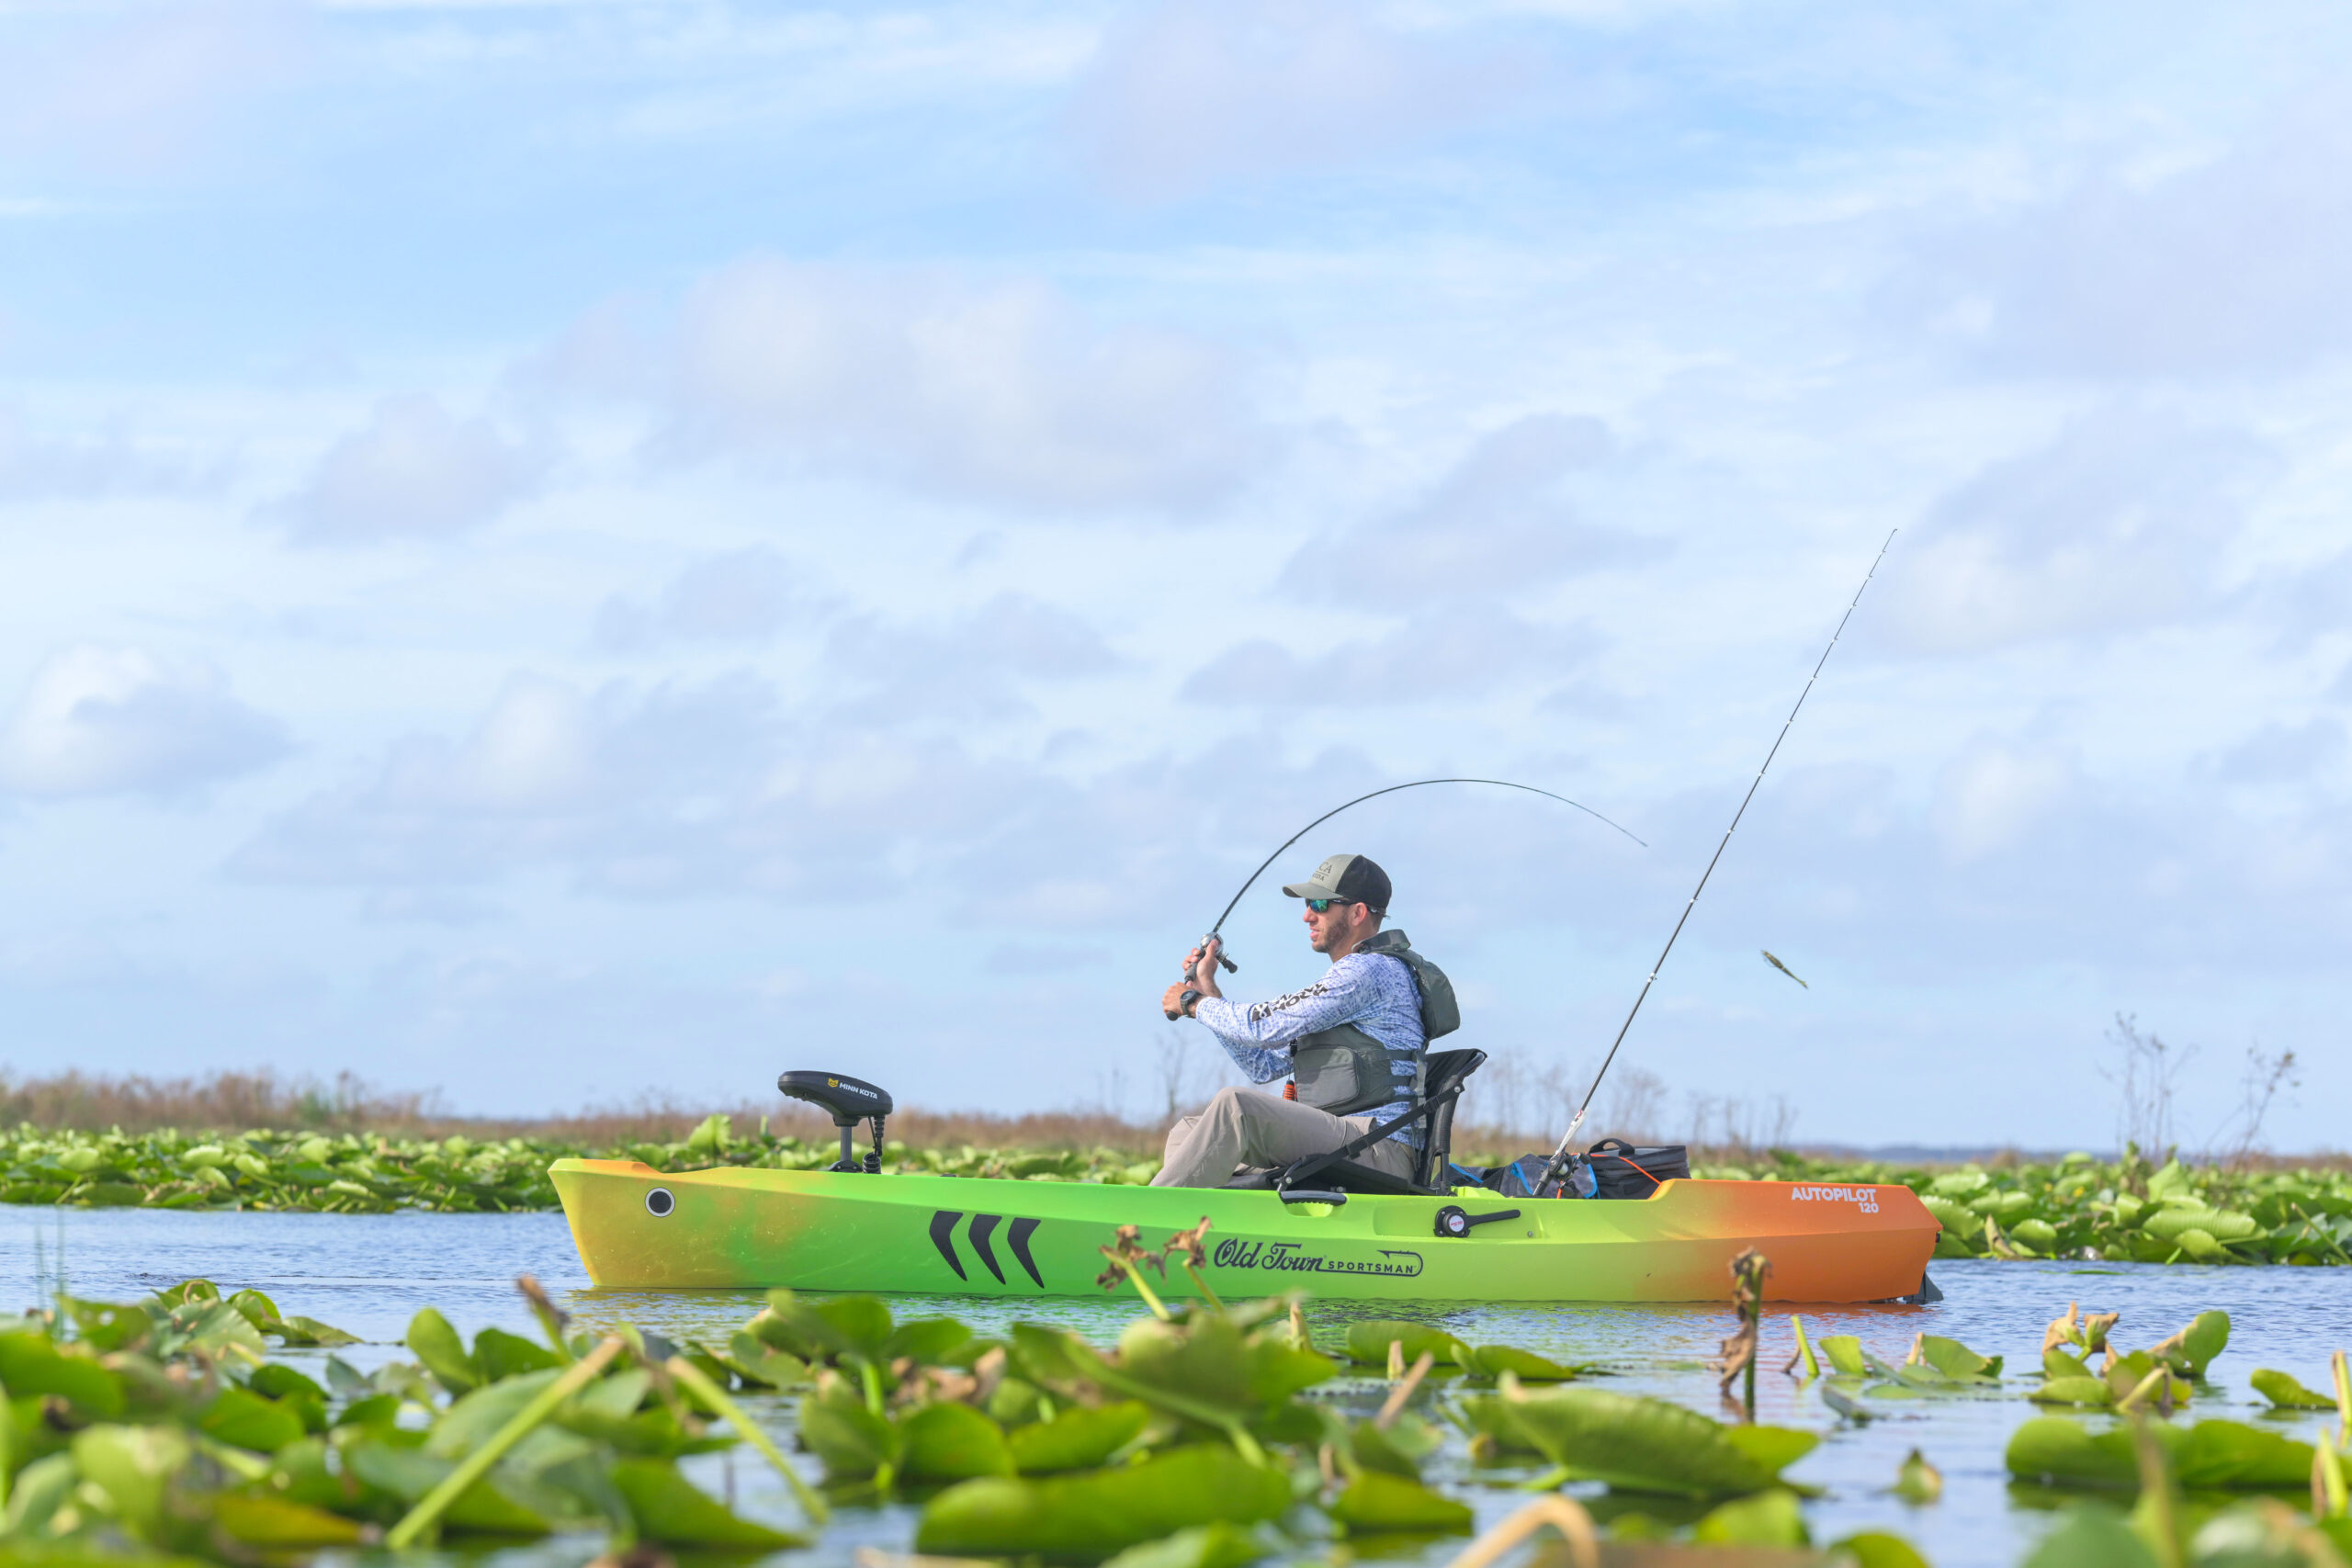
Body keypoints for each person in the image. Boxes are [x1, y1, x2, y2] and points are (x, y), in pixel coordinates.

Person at [1153, 852, 1456, 1189]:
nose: (1307, 916)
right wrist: (1208, 991)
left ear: (1357, 913)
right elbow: (1262, 1065)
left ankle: (1144, 1224)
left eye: (1320, 904)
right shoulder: (1347, 984)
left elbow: (1261, 1027)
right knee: (1188, 1133)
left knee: (1236, 1107)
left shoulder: (1367, 973)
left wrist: (1192, 1002)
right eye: (1307, 903)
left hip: (1379, 1148)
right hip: (1341, 1141)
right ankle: (1209, 1232)